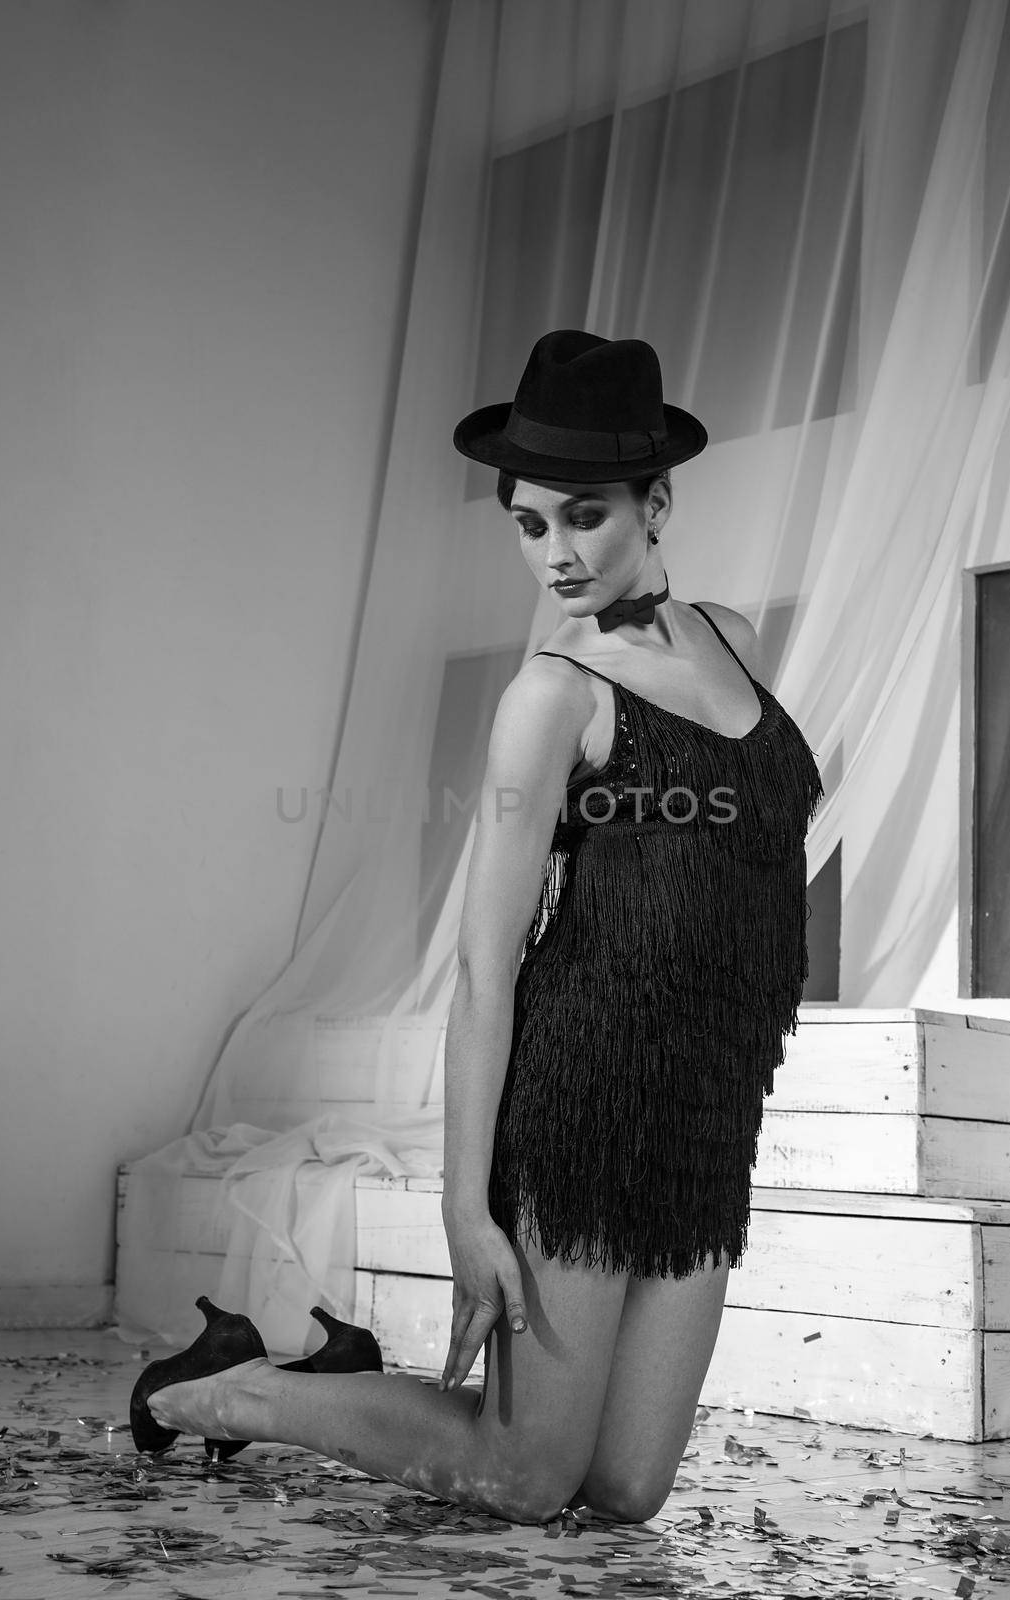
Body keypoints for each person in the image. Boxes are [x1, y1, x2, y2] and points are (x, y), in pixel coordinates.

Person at [131, 329, 824, 1526]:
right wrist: (466, 1213)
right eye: (529, 523)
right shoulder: (551, 697)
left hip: (709, 1113)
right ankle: (222, 1389)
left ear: (656, 503)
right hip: (580, 1106)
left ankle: (335, 1372)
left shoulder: (732, 643)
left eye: (584, 516)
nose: (554, 553)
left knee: (623, 1490)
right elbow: (483, 967)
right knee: (520, 1478)